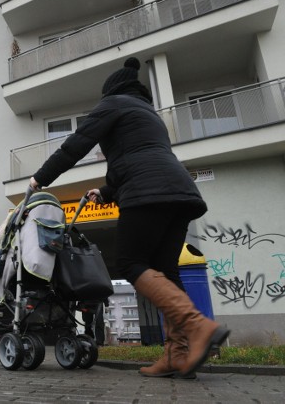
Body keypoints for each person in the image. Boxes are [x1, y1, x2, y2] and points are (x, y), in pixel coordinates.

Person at [29, 57, 230, 378]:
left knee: (131, 263)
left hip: (147, 192)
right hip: (181, 192)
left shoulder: (112, 104)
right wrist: (107, 192)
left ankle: (197, 326)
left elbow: (75, 146)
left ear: (112, 90)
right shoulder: (148, 114)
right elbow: (139, 157)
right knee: (166, 271)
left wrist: (40, 178)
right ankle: (176, 356)